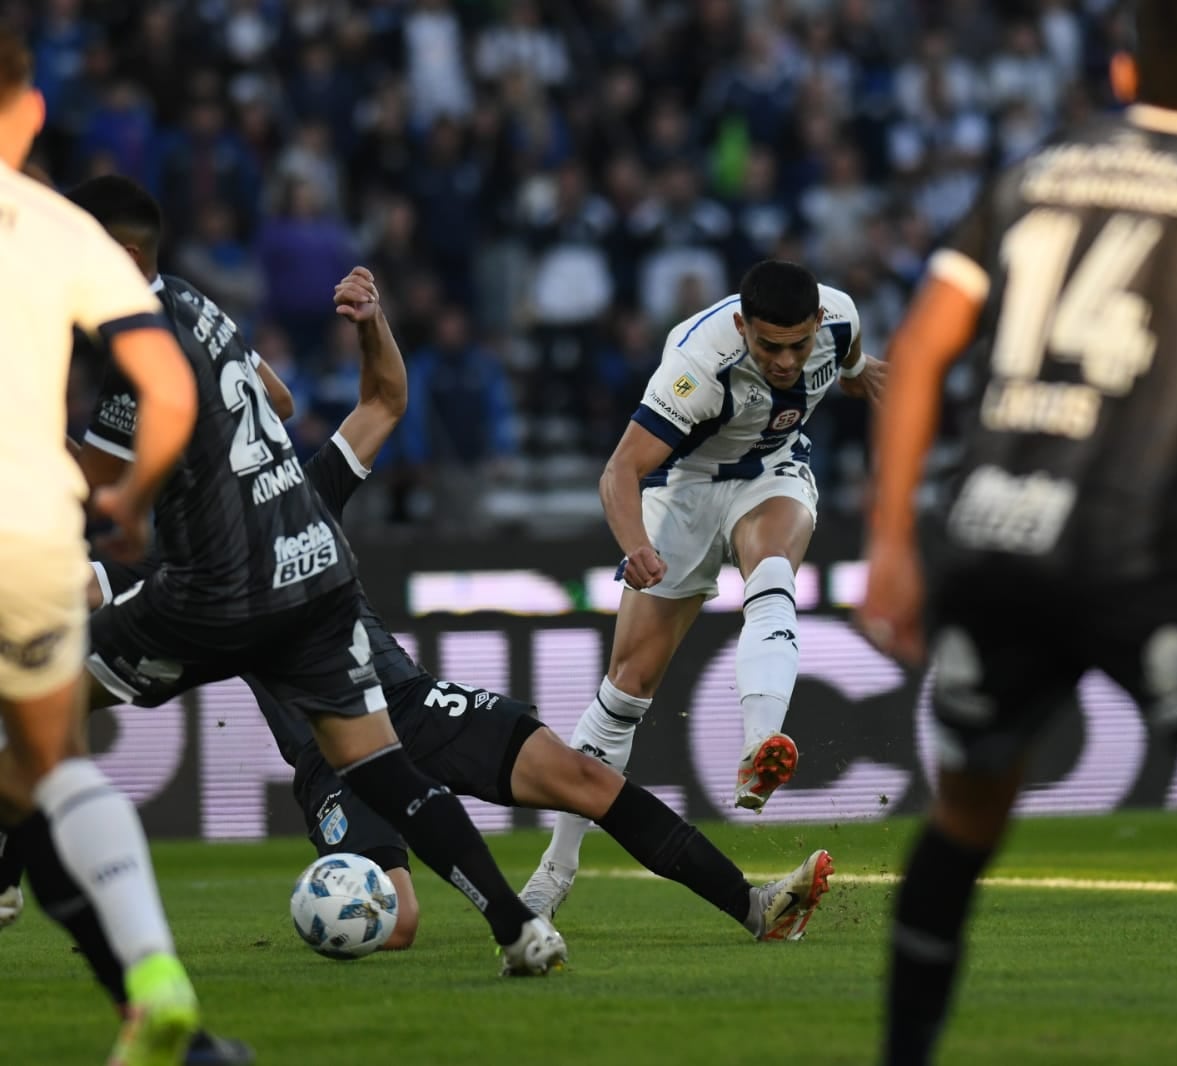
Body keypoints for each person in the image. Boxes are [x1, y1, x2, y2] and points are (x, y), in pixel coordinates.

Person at [857, 2, 1177, 1063]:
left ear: (1126, 68)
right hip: (1138, 548)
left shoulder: (1032, 172)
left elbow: (919, 348)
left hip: (991, 535)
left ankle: (903, 1052)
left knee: (968, 812)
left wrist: (893, 542)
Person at [88, 265, 834, 951]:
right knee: (399, 921)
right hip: (332, 749)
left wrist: (373, 323)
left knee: (585, 778)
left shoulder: (300, 498)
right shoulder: (173, 581)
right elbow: (82, 593)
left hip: (408, 701)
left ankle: (754, 906)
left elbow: (382, 401)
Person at [59, 174, 563, 980]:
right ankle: (516, 926)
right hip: (307, 577)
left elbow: (95, 482)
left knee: (41, 693)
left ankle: (13, 881)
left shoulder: (138, 339)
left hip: (214, 586)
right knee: (385, 770)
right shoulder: (199, 304)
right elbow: (283, 399)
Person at [523, 260, 885, 917]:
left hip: (771, 471)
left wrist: (859, 376)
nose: (784, 361)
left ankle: (759, 748)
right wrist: (635, 545)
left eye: (798, 345)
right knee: (626, 687)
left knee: (772, 566)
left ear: (816, 325)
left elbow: (851, 351)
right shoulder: (696, 366)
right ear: (742, 325)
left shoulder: (838, 318)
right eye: (768, 346)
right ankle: (555, 869)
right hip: (682, 489)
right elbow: (619, 470)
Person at [0, 29, 208, 1066]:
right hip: (32, 527)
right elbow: (167, 388)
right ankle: (156, 981)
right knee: (48, 766)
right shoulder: (60, 229)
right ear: (28, 113)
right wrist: (128, 497)